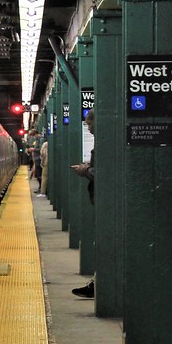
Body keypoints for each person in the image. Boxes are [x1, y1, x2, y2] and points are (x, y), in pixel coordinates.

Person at [70, 110, 95, 298]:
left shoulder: (106, 142)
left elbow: (105, 172)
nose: (87, 126)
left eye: (89, 122)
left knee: (105, 244)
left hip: (107, 203)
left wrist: (85, 170)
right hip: (101, 201)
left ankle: (97, 285)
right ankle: (96, 283)